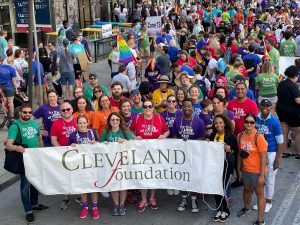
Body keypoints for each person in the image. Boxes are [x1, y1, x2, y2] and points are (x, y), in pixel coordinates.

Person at [5, 103, 49, 223]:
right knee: (25, 187)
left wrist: (42, 153)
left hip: (36, 159)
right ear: (20, 112)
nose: (27, 114)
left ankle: (34, 204)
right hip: (24, 161)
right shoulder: (15, 126)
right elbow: (8, 144)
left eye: (29, 112)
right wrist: (16, 147)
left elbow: (39, 139)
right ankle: (28, 211)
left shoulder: (34, 124)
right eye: (25, 112)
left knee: (35, 183)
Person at [129, 99, 169, 212]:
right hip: (141, 153)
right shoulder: (137, 118)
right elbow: (130, 131)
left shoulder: (159, 118)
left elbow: (167, 131)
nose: (147, 108)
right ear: (143, 108)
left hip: (155, 152)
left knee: (153, 175)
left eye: (150, 106)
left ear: (153, 108)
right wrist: (134, 137)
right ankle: (143, 199)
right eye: (145, 107)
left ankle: (152, 197)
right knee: (143, 175)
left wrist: (163, 136)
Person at [173, 98, 205, 213]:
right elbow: (174, 135)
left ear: (192, 107)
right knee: (183, 177)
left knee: (194, 177)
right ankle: (183, 199)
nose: (187, 108)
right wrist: (178, 141)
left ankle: (193, 200)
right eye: (185, 106)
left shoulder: (199, 121)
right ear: (182, 107)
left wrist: (191, 142)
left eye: (189, 106)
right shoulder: (177, 121)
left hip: (194, 154)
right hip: (181, 155)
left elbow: (202, 137)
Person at [253, 99, 284, 213]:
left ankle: (269, 201)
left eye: (267, 106)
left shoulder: (275, 122)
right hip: (259, 152)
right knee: (261, 178)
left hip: (271, 152)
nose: (265, 108)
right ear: (259, 106)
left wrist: (277, 159)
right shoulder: (256, 118)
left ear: (271, 107)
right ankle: (262, 200)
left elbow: (280, 142)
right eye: (263, 105)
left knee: (270, 178)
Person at [237, 114, 268, 225]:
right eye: (247, 122)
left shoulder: (258, 137)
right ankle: (246, 208)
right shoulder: (240, 135)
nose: (249, 124)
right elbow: (240, 154)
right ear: (244, 122)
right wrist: (238, 169)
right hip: (246, 169)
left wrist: (261, 175)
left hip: (257, 170)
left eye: (251, 122)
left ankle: (260, 220)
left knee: (259, 194)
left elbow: (263, 157)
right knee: (246, 189)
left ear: (255, 123)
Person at [68, 115, 99, 219]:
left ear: (88, 123)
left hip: (92, 164)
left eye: (84, 123)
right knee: (83, 187)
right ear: (77, 124)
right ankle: (85, 207)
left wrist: (96, 143)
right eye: (80, 123)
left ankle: (95, 207)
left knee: (93, 186)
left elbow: (100, 148)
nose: (82, 125)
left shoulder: (92, 133)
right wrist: (71, 146)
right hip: (80, 165)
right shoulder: (73, 135)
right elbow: (68, 151)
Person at [101, 112, 132, 216]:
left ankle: (122, 205)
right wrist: (103, 144)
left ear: (120, 121)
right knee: (114, 184)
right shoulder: (106, 132)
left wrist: (125, 141)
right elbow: (100, 146)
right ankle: (116, 204)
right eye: (112, 119)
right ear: (109, 121)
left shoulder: (125, 131)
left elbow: (133, 145)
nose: (115, 121)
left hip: (123, 163)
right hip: (111, 163)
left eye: (117, 120)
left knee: (123, 184)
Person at [228, 82, 258, 187]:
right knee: (236, 158)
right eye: (238, 89)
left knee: (245, 157)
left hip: (245, 136)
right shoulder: (231, 103)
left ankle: (247, 179)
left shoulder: (251, 104)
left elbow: (254, 121)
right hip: (233, 136)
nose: (240, 91)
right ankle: (238, 178)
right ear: (234, 90)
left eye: (242, 89)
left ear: (246, 90)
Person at [210, 114, 237, 223]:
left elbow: (235, 151)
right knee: (216, 189)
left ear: (225, 123)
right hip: (215, 167)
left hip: (227, 168)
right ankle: (219, 210)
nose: (218, 125)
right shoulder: (213, 135)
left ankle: (225, 211)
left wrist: (230, 150)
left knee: (223, 189)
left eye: (220, 122)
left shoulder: (230, 136)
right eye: (216, 123)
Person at [50, 102, 78, 209]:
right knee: (65, 176)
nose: (66, 111)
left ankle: (79, 196)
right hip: (63, 154)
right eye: (63, 110)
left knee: (78, 175)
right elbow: (53, 140)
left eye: (68, 109)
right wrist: (62, 151)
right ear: (60, 112)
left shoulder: (78, 120)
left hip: (77, 154)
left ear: (72, 109)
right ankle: (66, 197)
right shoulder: (56, 123)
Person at [276, 66, 300, 159]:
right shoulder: (293, 86)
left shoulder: (281, 84)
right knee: (298, 132)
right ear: (295, 75)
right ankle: (298, 153)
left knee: (284, 132)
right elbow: (298, 100)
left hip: (281, 110)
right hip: (293, 112)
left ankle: (284, 152)